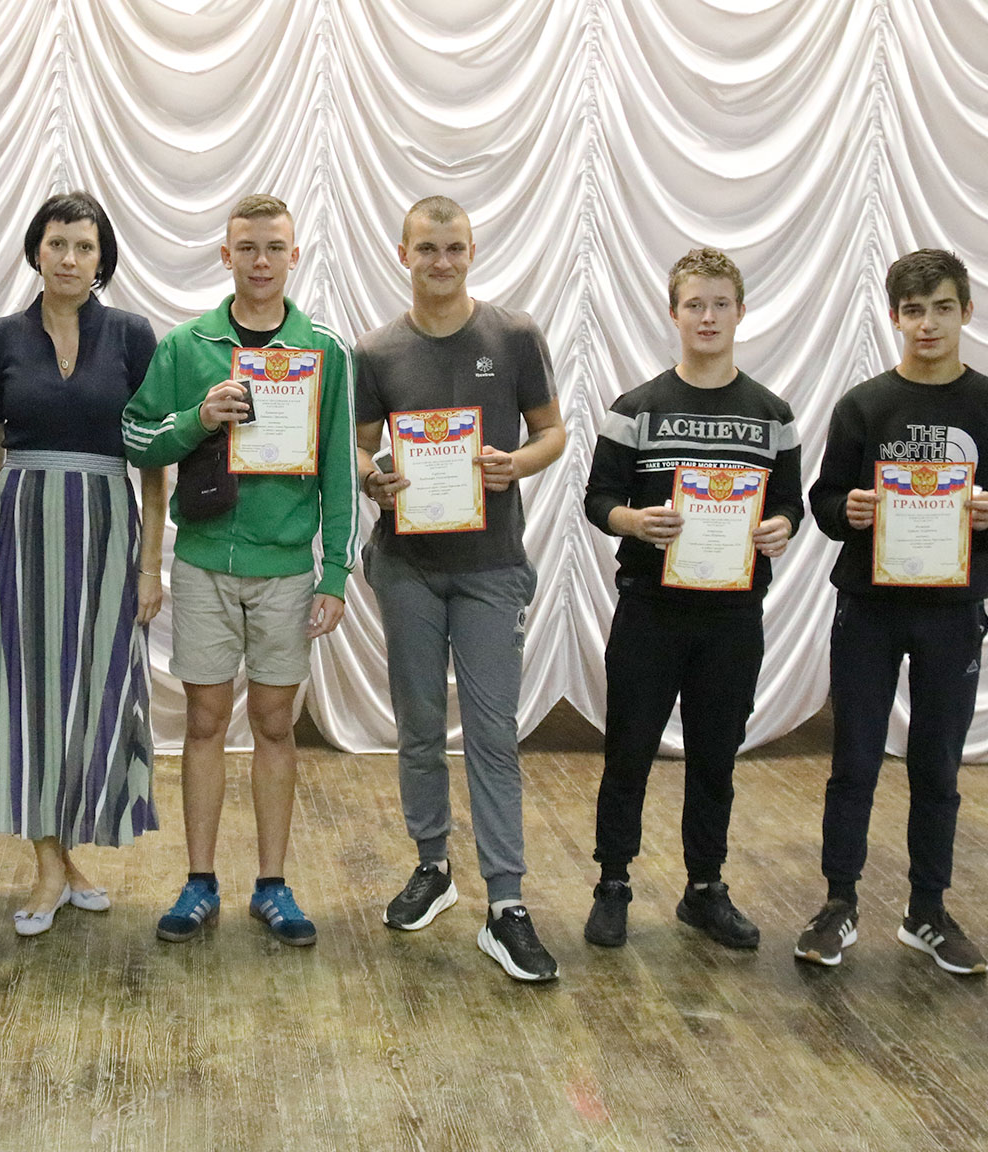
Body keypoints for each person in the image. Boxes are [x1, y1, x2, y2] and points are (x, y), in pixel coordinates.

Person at [795, 248, 988, 975]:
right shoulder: (864, 405)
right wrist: (849, 508)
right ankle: (838, 903)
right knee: (855, 759)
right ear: (894, 317)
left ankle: (927, 910)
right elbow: (824, 499)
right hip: (869, 607)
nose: (926, 323)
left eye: (941, 308)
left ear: (966, 312)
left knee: (937, 764)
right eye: (912, 310)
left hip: (952, 611)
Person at [122, 193, 357, 947]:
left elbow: (339, 471)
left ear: (294, 256)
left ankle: (272, 883)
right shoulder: (187, 345)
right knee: (202, 722)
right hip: (203, 565)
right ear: (226, 256)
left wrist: (335, 574)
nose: (261, 262)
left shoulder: (326, 352)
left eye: (274, 248)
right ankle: (199, 880)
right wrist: (198, 417)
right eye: (247, 248)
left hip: (287, 572)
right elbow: (135, 437)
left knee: (275, 725)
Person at [355, 195, 568, 981]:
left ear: (472, 252)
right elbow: (360, 446)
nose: (441, 262)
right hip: (407, 566)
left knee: (491, 734)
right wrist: (372, 479)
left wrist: (519, 463)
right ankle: (433, 867)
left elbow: (553, 432)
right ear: (402, 254)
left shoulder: (514, 336)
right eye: (427, 249)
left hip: (491, 567)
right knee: (418, 725)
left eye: (454, 248)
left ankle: (506, 902)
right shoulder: (375, 350)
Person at [580, 248, 803, 950]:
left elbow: (791, 503)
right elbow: (598, 499)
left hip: (733, 615)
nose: (708, 317)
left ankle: (704, 888)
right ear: (673, 313)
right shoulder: (635, 409)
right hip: (650, 608)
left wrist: (780, 527)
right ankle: (613, 882)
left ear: (741, 311)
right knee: (629, 751)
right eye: (695, 305)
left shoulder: (773, 414)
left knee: (716, 757)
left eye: (720, 304)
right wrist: (633, 520)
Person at [0, 191, 165, 936]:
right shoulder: (1, 338)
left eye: (83, 246)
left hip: (106, 527)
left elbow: (153, 462)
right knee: (23, 693)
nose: (69, 258)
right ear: (35, 251)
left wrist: (150, 564)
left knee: (96, 692)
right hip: (19, 527)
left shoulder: (133, 335)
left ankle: (68, 856)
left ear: (102, 257)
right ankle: (49, 865)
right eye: (56, 244)